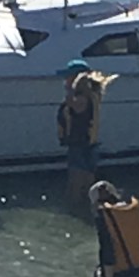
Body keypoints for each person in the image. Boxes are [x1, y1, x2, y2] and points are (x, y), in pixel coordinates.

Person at [56, 60, 116, 209]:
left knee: (76, 183)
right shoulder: (93, 96)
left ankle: (74, 210)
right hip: (89, 145)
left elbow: (75, 107)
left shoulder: (81, 99)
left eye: (68, 77)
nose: (65, 80)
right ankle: (88, 210)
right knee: (87, 182)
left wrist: (71, 90)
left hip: (80, 146)